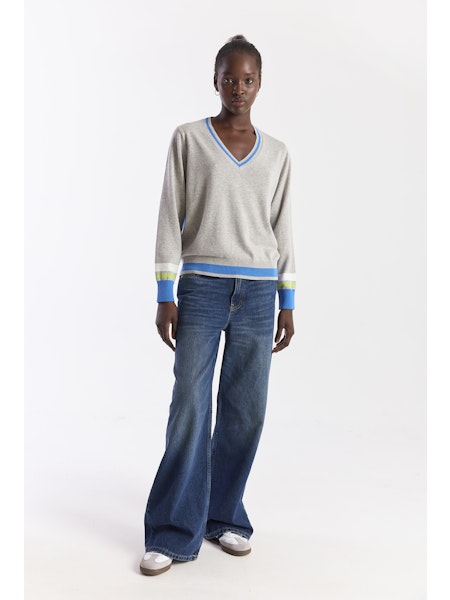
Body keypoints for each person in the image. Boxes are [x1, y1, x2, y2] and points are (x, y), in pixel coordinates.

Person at [140, 34, 296, 576]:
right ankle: (170, 531)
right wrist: (165, 292)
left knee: (245, 410)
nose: (239, 88)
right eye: (230, 78)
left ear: (260, 83)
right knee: (190, 405)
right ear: (215, 80)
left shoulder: (277, 153)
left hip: (259, 293)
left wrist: (288, 299)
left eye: (248, 79)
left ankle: (224, 514)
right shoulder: (188, 139)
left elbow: (283, 227)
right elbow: (169, 214)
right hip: (201, 288)